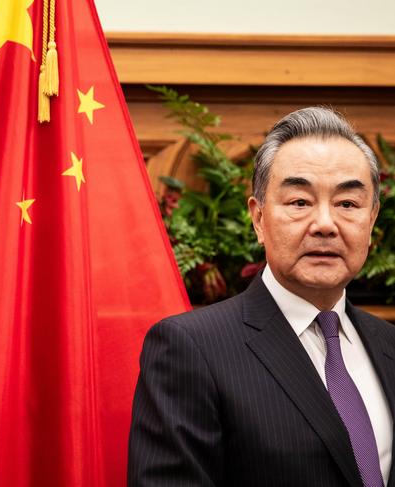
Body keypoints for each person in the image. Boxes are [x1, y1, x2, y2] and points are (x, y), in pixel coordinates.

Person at [128, 107, 395, 487]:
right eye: (299, 202)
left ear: (371, 222)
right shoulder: (191, 349)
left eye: (347, 204)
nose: (324, 224)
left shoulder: (388, 346)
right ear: (258, 219)